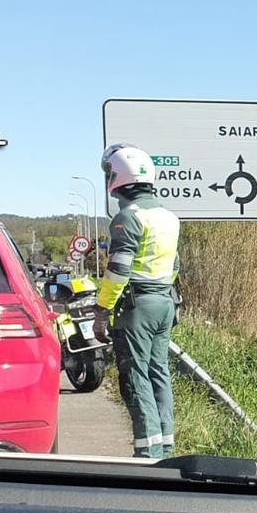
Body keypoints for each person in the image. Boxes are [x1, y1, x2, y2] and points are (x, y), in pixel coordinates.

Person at [94, 143, 181, 459]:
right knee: (159, 372)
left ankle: (147, 451)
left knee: (135, 375)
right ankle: (165, 446)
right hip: (163, 302)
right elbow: (174, 265)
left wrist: (102, 311)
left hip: (137, 306)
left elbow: (118, 270)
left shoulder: (126, 218)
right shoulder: (169, 218)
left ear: (116, 177)